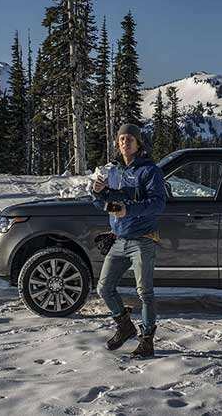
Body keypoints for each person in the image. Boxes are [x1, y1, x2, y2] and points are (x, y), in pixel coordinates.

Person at [91, 123, 167, 358]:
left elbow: (158, 203)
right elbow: (107, 206)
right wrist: (98, 192)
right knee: (104, 288)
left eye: (129, 138)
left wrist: (128, 210)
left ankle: (147, 341)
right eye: (121, 138)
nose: (125, 142)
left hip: (143, 239)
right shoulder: (114, 171)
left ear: (138, 143)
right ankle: (125, 327)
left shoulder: (149, 171)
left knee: (145, 291)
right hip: (119, 239)